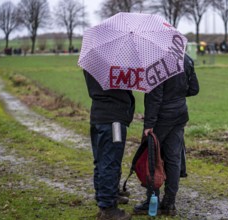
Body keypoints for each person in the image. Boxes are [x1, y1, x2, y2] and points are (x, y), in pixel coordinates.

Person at [133, 54, 200, 216]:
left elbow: (155, 97)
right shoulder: (187, 59)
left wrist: (149, 124)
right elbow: (194, 89)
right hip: (179, 114)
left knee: (152, 157)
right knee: (173, 158)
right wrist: (176, 96)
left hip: (161, 118)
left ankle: (152, 200)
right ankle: (170, 203)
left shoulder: (156, 61)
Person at [83, 70, 134, 220]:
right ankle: (108, 208)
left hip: (98, 116)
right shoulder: (115, 63)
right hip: (114, 120)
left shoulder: (92, 61)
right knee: (111, 161)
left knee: (100, 160)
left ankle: (104, 196)